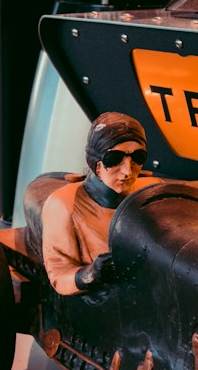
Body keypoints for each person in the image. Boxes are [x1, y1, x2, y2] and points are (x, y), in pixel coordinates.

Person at [41, 111, 156, 296]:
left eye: (137, 157)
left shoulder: (150, 192)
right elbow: (58, 274)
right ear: (96, 163)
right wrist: (91, 274)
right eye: (114, 159)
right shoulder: (62, 206)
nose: (127, 171)